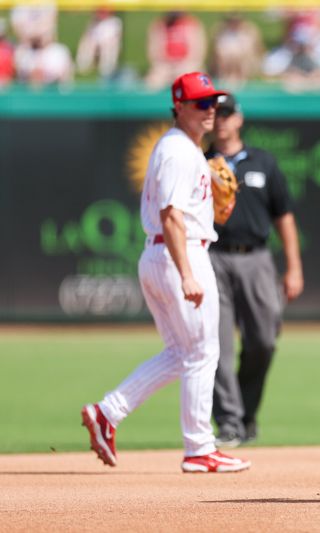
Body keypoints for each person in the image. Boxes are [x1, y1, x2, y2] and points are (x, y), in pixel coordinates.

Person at [81, 72, 250, 474]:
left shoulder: (186, 149)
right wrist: (187, 273)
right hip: (180, 254)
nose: (210, 111)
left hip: (163, 256)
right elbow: (171, 215)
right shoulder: (177, 150)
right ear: (180, 106)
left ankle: (108, 412)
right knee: (203, 351)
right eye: (201, 103)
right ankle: (199, 448)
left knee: (182, 353)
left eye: (213, 103)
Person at [205, 93, 304, 448]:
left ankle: (246, 413)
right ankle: (229, 423)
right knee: (216, 345)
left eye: (226, 114)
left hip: (257, 258)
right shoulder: (200, 162)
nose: (221, 121)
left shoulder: (262, 161)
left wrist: (293, 266)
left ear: (239, 119)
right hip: (212, 257)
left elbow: (284, 216)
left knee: (262, 341)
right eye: (215, 114)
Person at [145, 12, 207, 90]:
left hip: (186, 65)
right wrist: (166, 66)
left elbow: (198, 52)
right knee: (153, 81)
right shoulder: (159, 25)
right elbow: (154, 51)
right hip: (165, 66)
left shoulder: (192, 24)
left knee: (194, 80)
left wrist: (183, 66)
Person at [75, 8, 122, 80]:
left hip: (107, 44)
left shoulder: (114, 22)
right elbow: (87, 36)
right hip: (94, 43)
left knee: (108, 47)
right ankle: (83, 66)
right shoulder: (94, 21)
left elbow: (115, 39)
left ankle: (107, 70)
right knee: (87, 45)